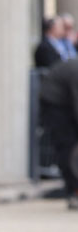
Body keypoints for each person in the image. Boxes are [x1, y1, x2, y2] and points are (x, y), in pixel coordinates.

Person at [40, 56, 78, 208]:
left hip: (67, 102)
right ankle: (74, 190)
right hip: (55, 104)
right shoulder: (76, 71)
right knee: (66, 146)